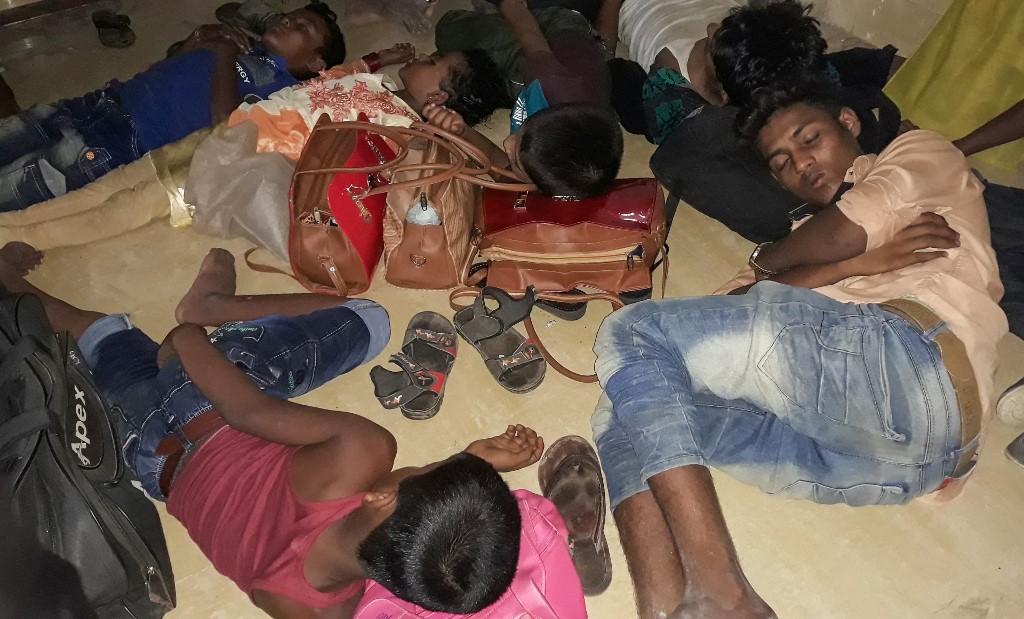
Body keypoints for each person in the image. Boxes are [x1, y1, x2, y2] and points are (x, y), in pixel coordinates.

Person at [591, 85, 1006, 619]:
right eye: (782, 163)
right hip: (897, 463)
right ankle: (665, 607)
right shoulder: (795, 235)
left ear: (850, 123)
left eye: (810, 139)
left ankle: (725, 592)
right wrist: (852, 267)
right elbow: (740, 303)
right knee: (623, 406)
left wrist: (798, 263)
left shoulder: (921, 152)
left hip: (913, 359)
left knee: (634, 332)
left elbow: (838, 236)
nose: (801, 163)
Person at [0, 244, 547, 618]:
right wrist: (470, 465)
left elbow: (250, 414)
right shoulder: (312, 608)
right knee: (103, 334)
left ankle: (208, 307)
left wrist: (188, 339)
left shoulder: (361, 454)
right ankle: (59, 313)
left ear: (381, 494)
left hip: (204, 393)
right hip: (147, 453)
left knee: (369, 318)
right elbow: (414, 532)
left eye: (437, 471)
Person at [0, 4, 345, 213]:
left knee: (16, 181)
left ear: (316, 61)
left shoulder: (281, 91)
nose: (287, 22)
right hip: (96, 103)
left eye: (303, 28)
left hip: (119, 139)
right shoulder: (247, 47)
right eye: (288, 17)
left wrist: (223, 54)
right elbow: (170, 65)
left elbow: (228, 125)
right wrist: (199, 38)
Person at [425, 0, 624, 199]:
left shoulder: (559, 177)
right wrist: (510, 6)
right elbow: (529, 34)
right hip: (558, 29)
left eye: (517, 161)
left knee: (470, 73)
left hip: (584, 66)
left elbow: (503, 170)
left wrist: (462, 132)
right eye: (516, 152)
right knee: (448, 27)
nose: (506, 144)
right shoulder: (547, 82)